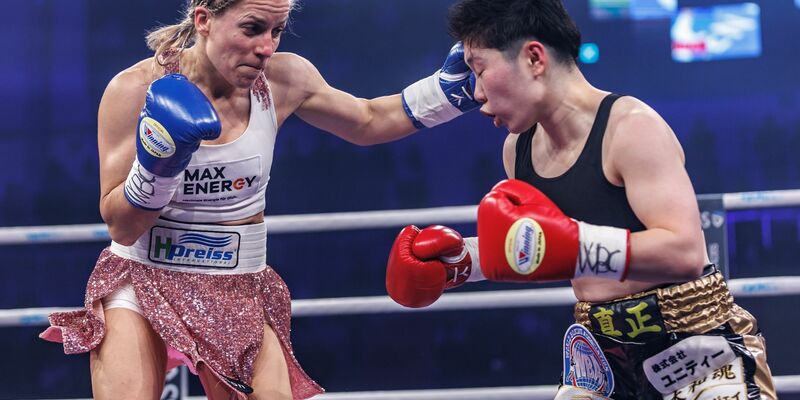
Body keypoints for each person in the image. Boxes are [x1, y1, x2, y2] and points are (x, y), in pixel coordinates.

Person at [38, 0, 479, 399]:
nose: (266, 47)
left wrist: (445, 94)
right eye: (252, 29)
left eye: (277, 31)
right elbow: (121, 225)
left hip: (237, 282)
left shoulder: (283, 80)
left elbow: (367, 120)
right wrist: (157, 168)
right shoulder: (134, 89)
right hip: (142, 274)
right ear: (204, 20)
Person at [384, 1, 776, 399]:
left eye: (480, 70)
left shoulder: (631, 128)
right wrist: (464, 260)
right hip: (601, 352)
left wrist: (576, 246)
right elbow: (541, 246)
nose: (477, 94)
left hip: (694, 342)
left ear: (534, 58)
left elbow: (684, 253)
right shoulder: (517, 150)